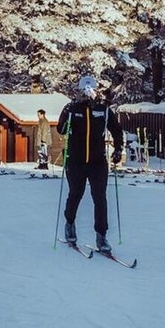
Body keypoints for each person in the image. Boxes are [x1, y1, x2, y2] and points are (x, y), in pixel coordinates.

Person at [59, 75, 123, 251]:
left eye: (91, 89)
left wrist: (118, 149)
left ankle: (101, 237)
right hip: (75, 161)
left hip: (97, 162)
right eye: (84, 90)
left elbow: (117, 130)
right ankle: (69, 223)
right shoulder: (72, 109)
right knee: (75, 194)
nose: (88, 93)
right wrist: (68, 111)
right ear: (79, 91)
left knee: (100, 198)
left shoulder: (103, 110)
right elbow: (61, 129)